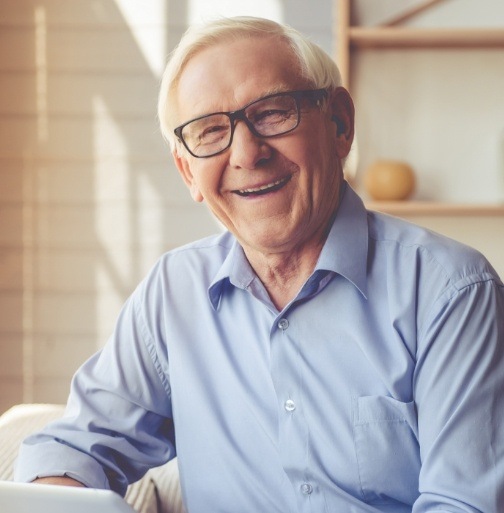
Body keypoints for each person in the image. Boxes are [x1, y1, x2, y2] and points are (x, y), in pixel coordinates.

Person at [14, 15, 504, 513]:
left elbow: (465, 505)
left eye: (272, 112)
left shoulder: (453, 291)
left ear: (338, 124)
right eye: (208, 132)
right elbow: (74, 448)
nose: (247, 154)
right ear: (188, 172)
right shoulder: (174, 293)